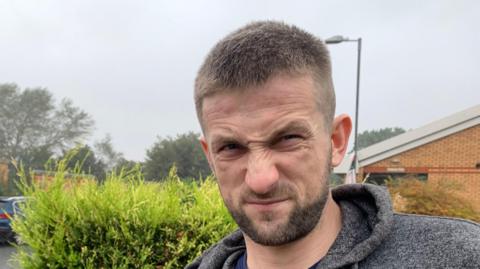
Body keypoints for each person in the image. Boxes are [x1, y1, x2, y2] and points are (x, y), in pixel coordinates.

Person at [187, 21, 480, 269]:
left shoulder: (460, 256)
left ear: (337, 141)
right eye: (231, 147)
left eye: (288, 138)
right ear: (210, 157)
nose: (261, 180)